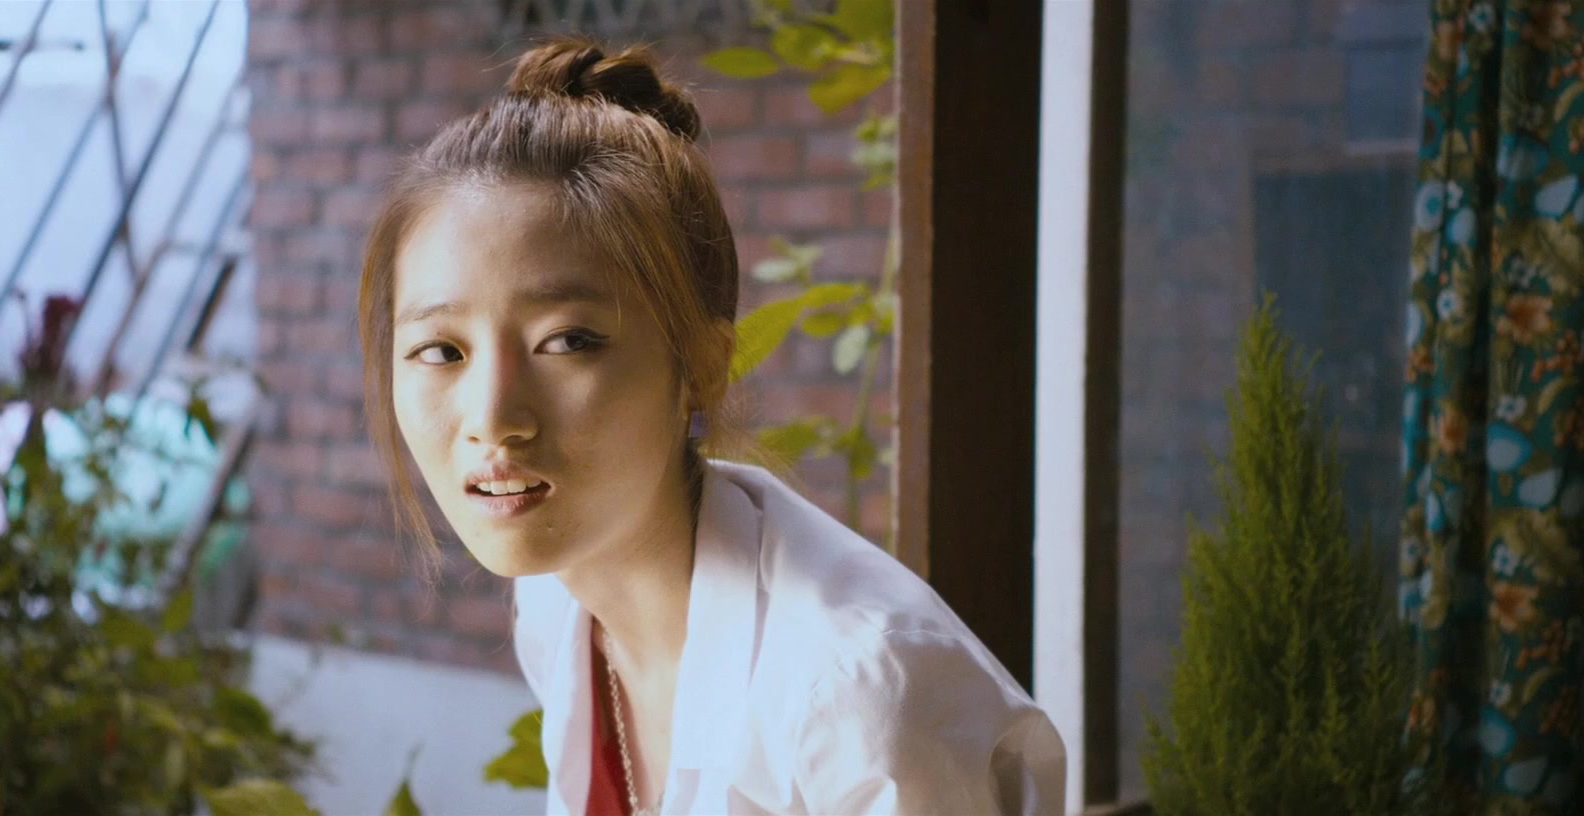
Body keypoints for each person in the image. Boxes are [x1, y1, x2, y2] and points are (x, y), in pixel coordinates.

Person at [357, 37, 1066, 816]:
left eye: (567, 341)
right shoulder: (557, 606)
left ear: (700, 363)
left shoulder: (854, 705)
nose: (493, 418)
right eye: (440, 351)